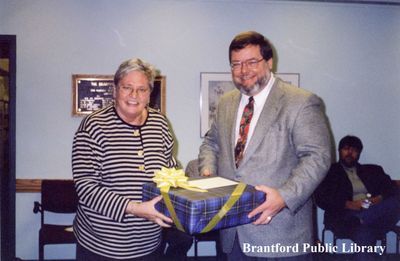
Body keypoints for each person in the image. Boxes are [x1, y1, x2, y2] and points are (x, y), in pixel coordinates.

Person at [198, 31, 332, 260]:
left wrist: (284, 196)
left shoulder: (300, 102)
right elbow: (211, 142)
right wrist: (208, 172)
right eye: (236, 64)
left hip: (281, 234)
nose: (243, 71)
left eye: (252, 62)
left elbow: (318, 156)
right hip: (233, 234)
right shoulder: (226, 102)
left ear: (269, 62)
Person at [72, 58, 175, 260]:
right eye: (127, 87)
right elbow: (85, 187)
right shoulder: (93, 126)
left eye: (142, 89)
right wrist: (135, 209)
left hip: (149, 244)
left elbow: (169, 170)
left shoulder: (160, 123)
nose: (134, 95)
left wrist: (180, 193)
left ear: (149, 94)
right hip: (101, 246)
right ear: (115, 89)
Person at [315, 135, 400, 260]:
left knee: (395, 201)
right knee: (364, 234)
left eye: (354, 150)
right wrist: (349, 204)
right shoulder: (330, 172)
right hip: (344, 216)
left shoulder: (372, 170)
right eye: (346, 149)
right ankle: (360, 219)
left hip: (374, 212)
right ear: (339, 151)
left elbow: (390, 188)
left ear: (359, 153)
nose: (350, 153)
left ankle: (361, 218)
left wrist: (378, 199)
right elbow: (321, 198)